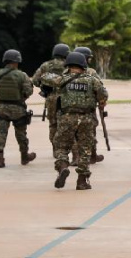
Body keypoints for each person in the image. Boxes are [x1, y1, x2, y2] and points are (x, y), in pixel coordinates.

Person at [46, 51, 108, 190]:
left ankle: (62, 167)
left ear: (68, 64)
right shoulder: (92, 80)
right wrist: (101, 102)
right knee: (85, 149)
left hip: (67, 117)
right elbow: (103, 95)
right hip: (86, 118)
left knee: (61, 146)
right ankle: (82, 181)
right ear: (83, 65)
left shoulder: (62, 79)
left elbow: (44, 77)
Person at [0, 50, 37, 168]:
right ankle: (24, 157)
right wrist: (21, 99)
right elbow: (28, 91)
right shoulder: (22, 75)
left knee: (1, 132)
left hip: (1, 108)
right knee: (21, 134)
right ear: (18, 61)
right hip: (18, 109)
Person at [31, 43, 70, 150]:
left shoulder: (46, 65)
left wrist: (44, 87)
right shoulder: (70, 65)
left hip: (51, 97)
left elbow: (35, 80)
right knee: (68, 123)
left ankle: (55, 148)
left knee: (53, 124)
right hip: (67, 97)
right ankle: (68, 149)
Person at [72, 46, 105, 164]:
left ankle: (75, 157)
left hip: (69, 109)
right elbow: (100, 89)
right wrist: (102, 102)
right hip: (88, 109)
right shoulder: (91, 72)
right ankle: (92, 155)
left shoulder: (66, 73)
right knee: (90, 132)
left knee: (73, 133)